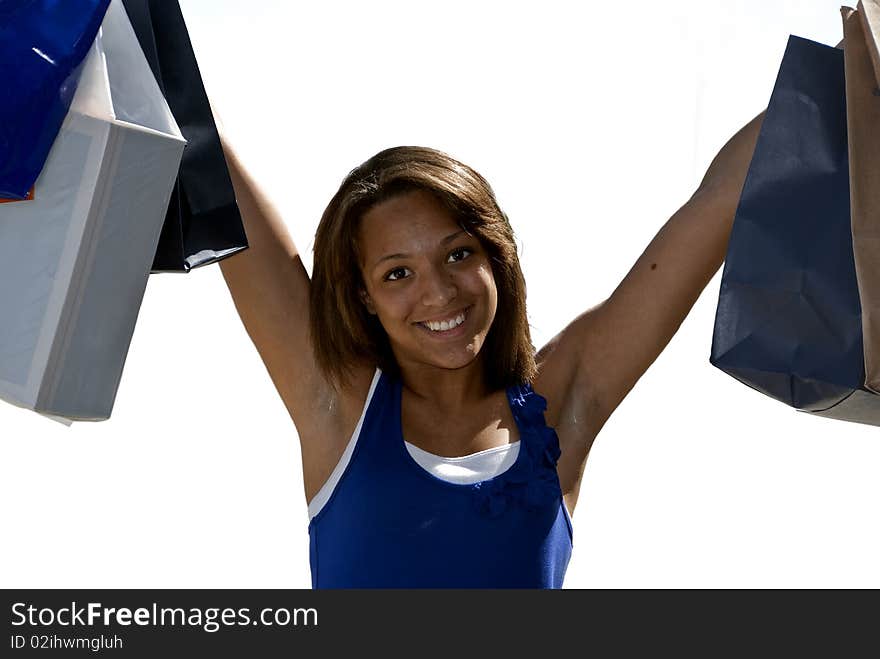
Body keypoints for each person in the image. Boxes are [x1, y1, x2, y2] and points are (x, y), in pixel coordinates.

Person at [217, 113, 764, 588]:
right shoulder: (338, 406)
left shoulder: (559, 405)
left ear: (494, 255)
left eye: (457, 254)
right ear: (365, 296)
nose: (439, 293)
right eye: (398, 272)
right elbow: (206, 152)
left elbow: (721, 200)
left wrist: (847, 61)